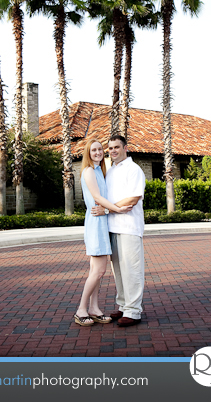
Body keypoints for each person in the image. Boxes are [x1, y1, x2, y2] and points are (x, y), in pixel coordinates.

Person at [75, 139, 133, 327]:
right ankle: (81, 310)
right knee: (99, 271)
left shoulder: (100, 171)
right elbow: (97, 197)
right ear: (88, 153)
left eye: (101, 149)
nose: (98, 152)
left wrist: (109, 210)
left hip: (102, 222)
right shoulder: (89, 171)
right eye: (94, 150)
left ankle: (94, 308)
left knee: (95, 271)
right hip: (96, 224)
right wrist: (117, 209)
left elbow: (103, 200)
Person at [91, 135, 146, 327]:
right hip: (112, 226)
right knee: (119, 271)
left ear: (125, 148)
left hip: (129, 226)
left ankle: (134, 311)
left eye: (116, 147)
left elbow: (133, 198)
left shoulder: (134, 169)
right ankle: (123, 306)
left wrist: (107, 209)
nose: (113, 151)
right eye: (110, 148)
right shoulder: (111, 170)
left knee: (132, 270)